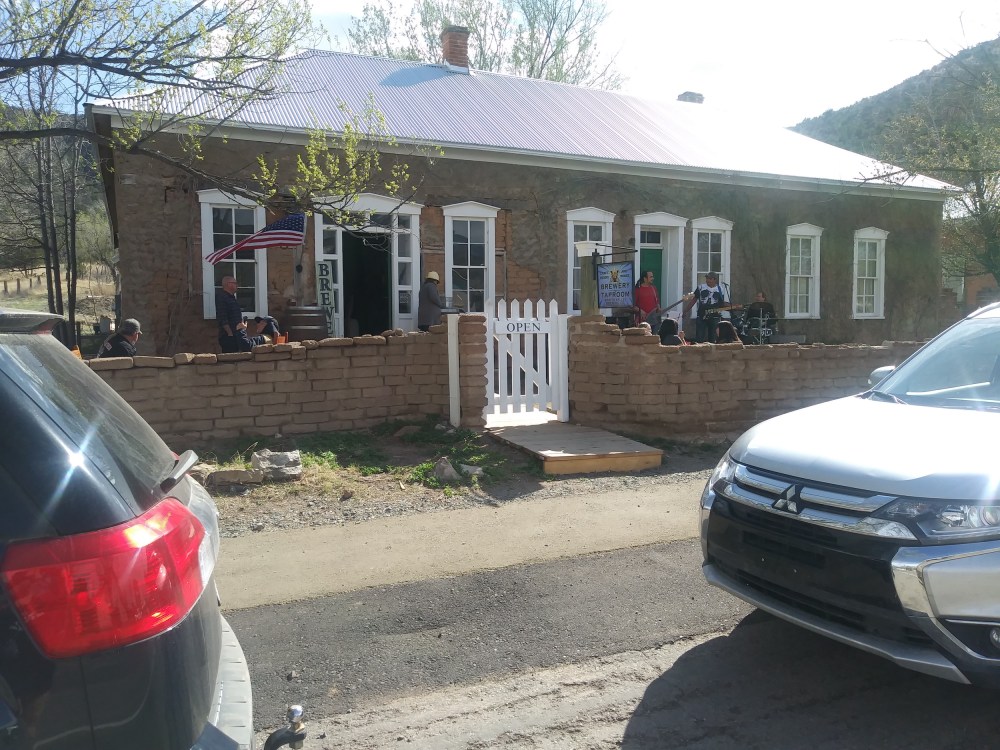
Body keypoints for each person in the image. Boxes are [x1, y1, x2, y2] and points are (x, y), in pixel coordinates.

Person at [683, 271, 737, 343]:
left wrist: (733, 307)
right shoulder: (701, 287)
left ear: (715, 280)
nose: (707, 280)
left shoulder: (720, 289)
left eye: (710, 279)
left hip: (715, 316)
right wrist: (686, 310)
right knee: (699, 338)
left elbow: (721, 303)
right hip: (702, 315)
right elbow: (694, 300)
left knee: (713, 338)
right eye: (707, 278)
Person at [216, 275, 254, 353]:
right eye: (235, 283)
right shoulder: (222, 297)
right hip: (229, 336)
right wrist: (230, 333)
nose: (237, 285)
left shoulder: (232, 298)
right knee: (230, 358)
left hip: (237, 335)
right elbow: (222, 317)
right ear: (229, 284)